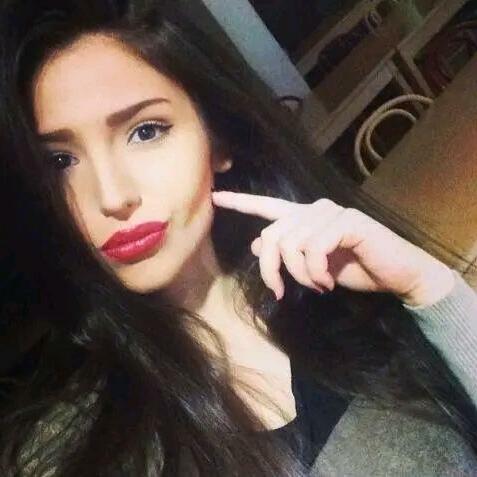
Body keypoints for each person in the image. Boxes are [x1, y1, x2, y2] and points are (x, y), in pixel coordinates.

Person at [0, 1, 476, 475]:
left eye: (146, 131)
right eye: (60, 161)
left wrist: (430, 289)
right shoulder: (75, 451)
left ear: (219, 142)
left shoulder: (341, 292)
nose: (111, 196)